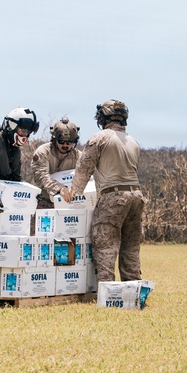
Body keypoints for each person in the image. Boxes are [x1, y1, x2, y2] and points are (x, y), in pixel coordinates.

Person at [61, 100, 145, 283]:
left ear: (102, 117)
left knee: (105, 245)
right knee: (130, 248)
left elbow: (84, 169)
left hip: (112, 196)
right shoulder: (133, 141)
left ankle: (107, 292)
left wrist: (72, 194)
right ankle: (132, 289)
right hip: (137, 197)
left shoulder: (99, 138)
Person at [31, 117, 82, 209]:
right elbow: (40, 176)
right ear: (54, 139)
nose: (65, 145)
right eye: (61, 141)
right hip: (43, 201)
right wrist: (60, 188)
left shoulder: (79, 157)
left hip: (70, 203)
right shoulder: (43, 152)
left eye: (69, 142)